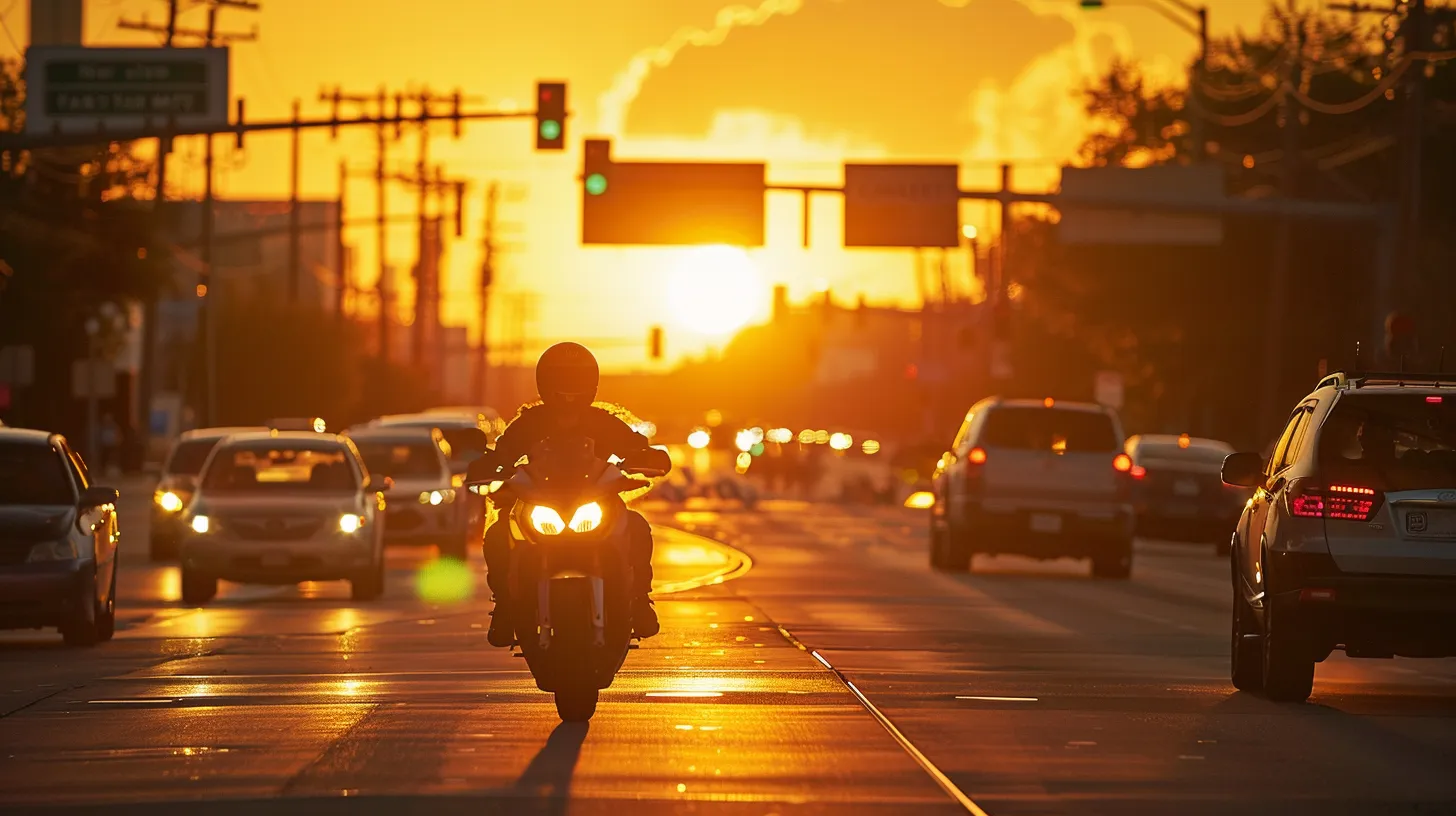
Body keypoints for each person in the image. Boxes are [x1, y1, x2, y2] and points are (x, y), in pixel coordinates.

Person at [480, 342, 670, 647]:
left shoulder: (603, 422)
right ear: (544, 382)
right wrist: (487, 465)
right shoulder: (528, 423)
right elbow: (501, 453)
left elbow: (634, 446)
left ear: (591, 383)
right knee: (498, 535)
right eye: (560, 380)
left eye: (576, 380)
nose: (568, 389)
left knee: (636, 527)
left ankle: (639, 601)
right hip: (541, 504)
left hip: (596, 503)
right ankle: (503, 608)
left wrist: (647, 457)